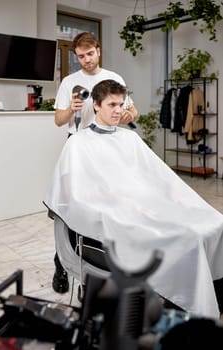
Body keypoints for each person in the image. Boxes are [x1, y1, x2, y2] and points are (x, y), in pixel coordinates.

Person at [45, 79, 223, 319]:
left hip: (143, 205)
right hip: (115, 215)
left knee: (214, 223)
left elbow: (159, 178)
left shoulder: (129, 138)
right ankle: (186, 311)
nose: (119, 110)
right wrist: (118, 205)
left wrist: (170, 200)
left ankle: (213, 302)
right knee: (187, 239)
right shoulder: (78, 143)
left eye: (122, 104)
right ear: (96, 105)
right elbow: (75, 196)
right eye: (112, 104)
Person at [52, 32, 138, 293]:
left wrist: (126, 114)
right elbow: (58, 120)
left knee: (106, 208)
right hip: (79, 148)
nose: (86, 60)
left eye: (90, 54)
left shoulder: (114, 78)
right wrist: (72, 109)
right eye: (80, 56)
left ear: (98, 51)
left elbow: (133, 111)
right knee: (70, 208)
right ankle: (61, 262)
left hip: (108, 149)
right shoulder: (69, 81)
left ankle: (98, 263)